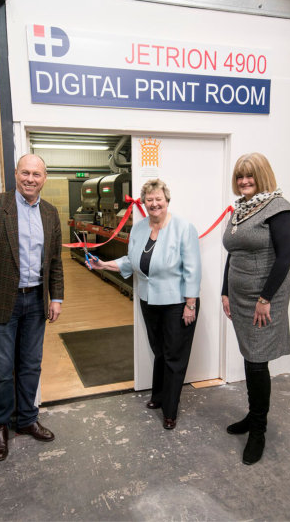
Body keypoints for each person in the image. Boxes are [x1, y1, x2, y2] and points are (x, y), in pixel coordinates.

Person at [0, 153, 64, 462]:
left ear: (44, 178)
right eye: (25, 173)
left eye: (36, 174)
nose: (30, 179)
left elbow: (55, 262)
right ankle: (0, 426)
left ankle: (27, 419)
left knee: (31, 365)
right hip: (2, 301)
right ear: (16, 174)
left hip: (36, 300)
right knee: (1, 370)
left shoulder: (50, 213)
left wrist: (56, 297)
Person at [89, 179, 201, 429]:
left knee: (174, 356)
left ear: (166, 200)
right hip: (149, 300)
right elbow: (131, 261)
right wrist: (103, 265)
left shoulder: (183, 228)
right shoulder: (139, 229)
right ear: (144, 203)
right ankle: (159, 396)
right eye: (149, 200)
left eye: (158, 199)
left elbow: (193, 269)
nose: (154, 204)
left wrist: (190, 304)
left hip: (177, 302)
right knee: (160, 351)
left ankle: (170, 410)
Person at [222, 152, 290, 465]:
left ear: (262, 176)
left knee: (256, 362)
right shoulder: (241, 208)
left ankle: (259, 429)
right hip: (239, 297)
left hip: (266, 296)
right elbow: (233, 253)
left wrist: (265, 298)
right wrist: (225, 291)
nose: (244, 181)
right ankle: (253, 417)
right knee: (250, 358)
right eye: (240, 176)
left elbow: (285, 256)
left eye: (249, 176)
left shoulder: (278, 207)